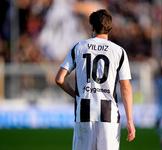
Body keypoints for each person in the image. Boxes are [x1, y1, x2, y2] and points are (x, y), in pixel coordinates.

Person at [55, 9, 136, 150]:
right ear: (109, 27)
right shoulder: (119, 51)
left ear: (92, 26)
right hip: (108, 114)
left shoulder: (79, 47)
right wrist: (130, 120)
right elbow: (126, 87)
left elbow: (59, 79)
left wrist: (76, 94)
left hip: (84, 111)